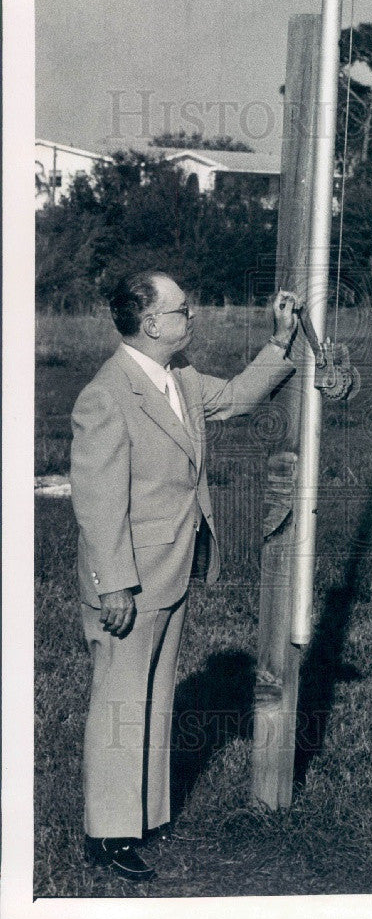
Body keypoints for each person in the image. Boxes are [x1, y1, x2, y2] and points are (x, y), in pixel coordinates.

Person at [70, 271, 298, 881]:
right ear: (151, 324)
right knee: (121, 700)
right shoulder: (106, 394)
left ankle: (143, 814)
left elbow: (240, 397)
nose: (192, 318)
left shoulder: (183, 380)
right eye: (182, 310)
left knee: (155, 694)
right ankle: (109, 836)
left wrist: (280, 342)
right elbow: (96, 502)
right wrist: (114, 582)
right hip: (128, 581)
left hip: (171, 568)